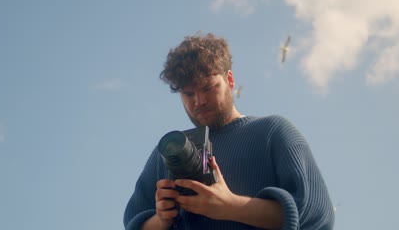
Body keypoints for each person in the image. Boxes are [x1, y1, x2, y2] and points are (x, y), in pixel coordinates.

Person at [123, 33, 335, 230]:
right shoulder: (166, 155)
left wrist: (231, 206)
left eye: (208, 87)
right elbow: (132, 222)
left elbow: (317, 214)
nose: (199, 101)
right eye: (188, 93)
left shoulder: (273, 132)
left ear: (230, 80)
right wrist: (161, 219)